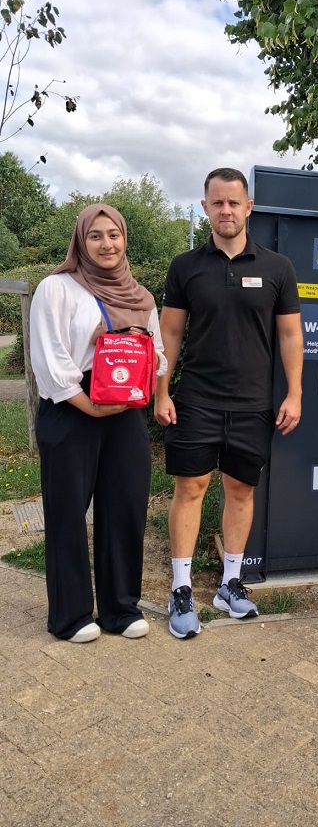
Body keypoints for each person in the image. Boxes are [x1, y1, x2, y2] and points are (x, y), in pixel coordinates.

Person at [155, 167, 303, 639]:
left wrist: (295, 392)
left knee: (240, 490)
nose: (226, 210)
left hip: (253, 403)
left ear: (248, 207)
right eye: (217, 202)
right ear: (205, 207)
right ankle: (181, 589)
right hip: (196, 399)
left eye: (234, 202)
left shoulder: (278, 267)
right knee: (191, 487)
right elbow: (170, 332)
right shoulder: (185, 266)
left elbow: (290, 334)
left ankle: (229, 585)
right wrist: (161, 390)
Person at [30, 204, 167, 643]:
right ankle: (70, 615)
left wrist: (142, 351)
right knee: (68, 510)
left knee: (125, 505)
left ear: (125, 239)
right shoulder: (56, 288)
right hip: (72, 405)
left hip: (125, 408)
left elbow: (159, 357)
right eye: (95, 236)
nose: (106, 244)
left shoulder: (141, 297)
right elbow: (49, 355)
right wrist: (87, 404)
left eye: (114, 235)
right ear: (80, 241)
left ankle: (120, 609)